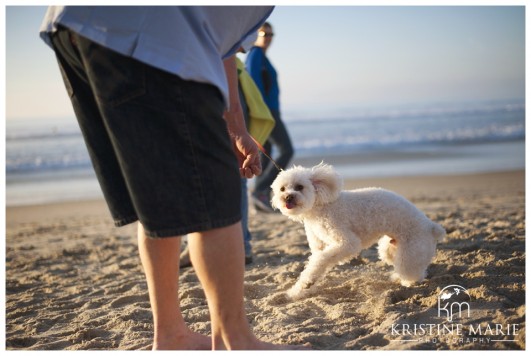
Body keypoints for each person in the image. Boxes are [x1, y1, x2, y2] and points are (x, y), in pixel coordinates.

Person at [39, 6, 305, 350]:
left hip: (76, 25)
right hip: (156, 35)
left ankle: (171, 335)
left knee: (155, 196)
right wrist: (234, 124)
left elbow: (223, 47)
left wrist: (236, 125)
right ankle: (234, 339)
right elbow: (221, 46)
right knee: (215, 197)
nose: (251, 45)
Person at [246, 22, 294, 212]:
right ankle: (259, 190)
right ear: (255, 34)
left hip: (269, 110)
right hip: (267, 111)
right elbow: (253, 85)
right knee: (287, 150)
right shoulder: (256, 54)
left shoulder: (262, 56)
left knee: (266, 154)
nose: (267, 38)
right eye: (264, 33)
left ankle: (261, 201)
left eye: (271, 35)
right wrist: (262, 113)